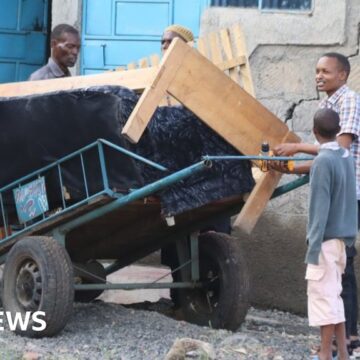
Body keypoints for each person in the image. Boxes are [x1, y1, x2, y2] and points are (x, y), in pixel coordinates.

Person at [273, 52, 360, 355]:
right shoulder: (326, 105)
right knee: (339, 272)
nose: (319, 76)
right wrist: (291, 167)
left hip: (346, 197)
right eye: (317, 71)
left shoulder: (348, 101)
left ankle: (343, 341)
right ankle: (342, 344)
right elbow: (327, 155)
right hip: (339, 196)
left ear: (343, 75)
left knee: (338, 275)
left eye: (326, 71)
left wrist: (296, 148)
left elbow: (338, 150)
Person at [306, 108, 357, 360]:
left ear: (314, 132)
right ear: (338, 131)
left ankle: (326, 353)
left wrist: (312, 247)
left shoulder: (322, 162)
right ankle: (344, 352)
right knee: (334, 297)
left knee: (323, 298)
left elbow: (319, 208)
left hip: (325, 241)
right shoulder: (347, 156)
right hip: (343, 240)